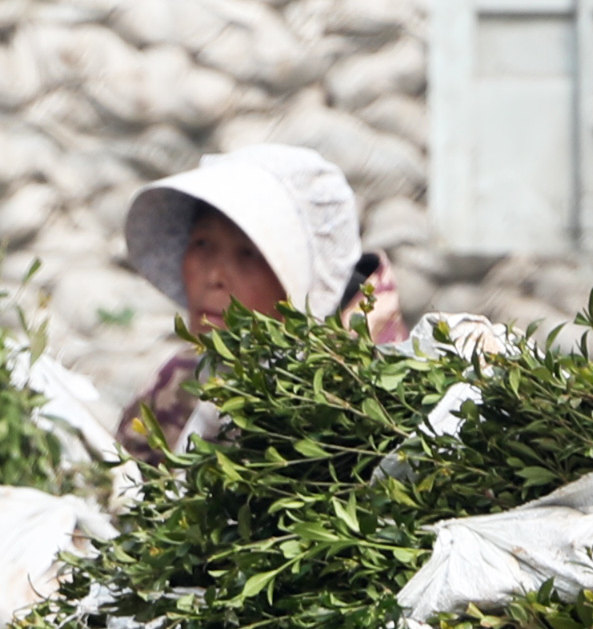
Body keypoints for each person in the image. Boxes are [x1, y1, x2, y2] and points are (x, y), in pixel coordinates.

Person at [115, 145, 402, 455]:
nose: (215, 277)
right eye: (202, 243)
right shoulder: (182, 380)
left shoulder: (369, 399)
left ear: (301, 277)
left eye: (248, 254)